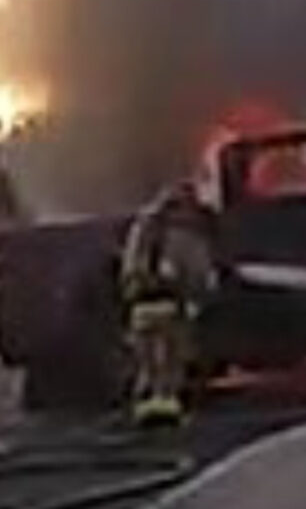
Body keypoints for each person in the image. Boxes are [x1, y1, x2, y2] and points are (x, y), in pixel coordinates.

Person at [118, 179, 218, 429]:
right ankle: (167, 415)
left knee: (148, 365)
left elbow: (129, 272)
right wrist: (200, 297)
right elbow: (196, 272)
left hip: (141, 309)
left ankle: (146, 412)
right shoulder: (185, 233)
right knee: (170, 365)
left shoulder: (142, 231)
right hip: (171, 307)